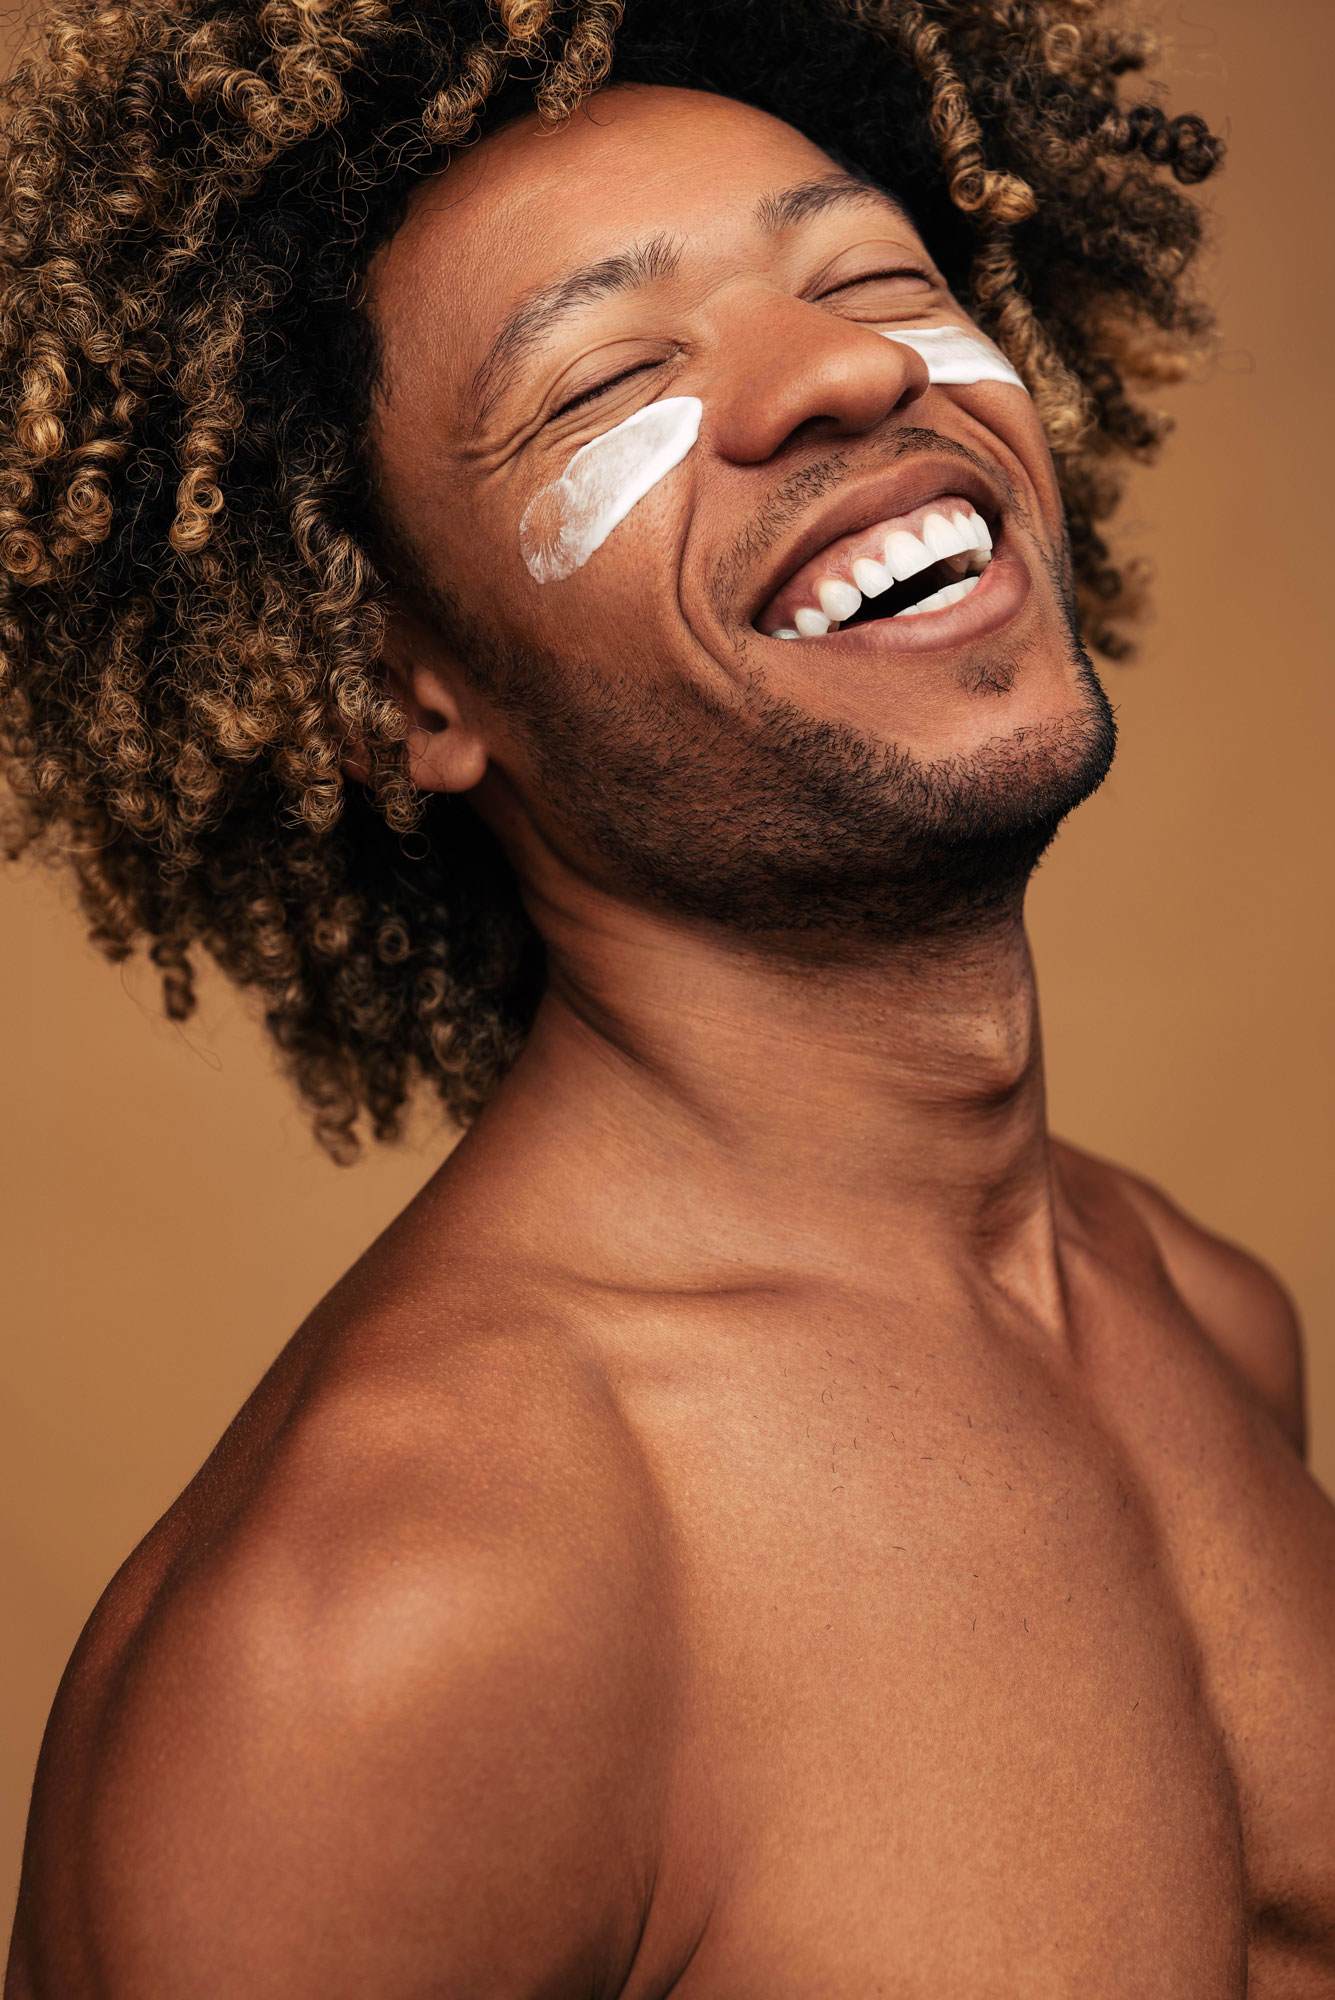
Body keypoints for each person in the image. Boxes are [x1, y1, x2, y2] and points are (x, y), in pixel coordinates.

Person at [4, 1, 1332, 1993]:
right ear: (404, 693)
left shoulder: (1201, 1316)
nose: (842, 365)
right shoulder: (392, 1617)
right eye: (607, 373)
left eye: (872, 272)